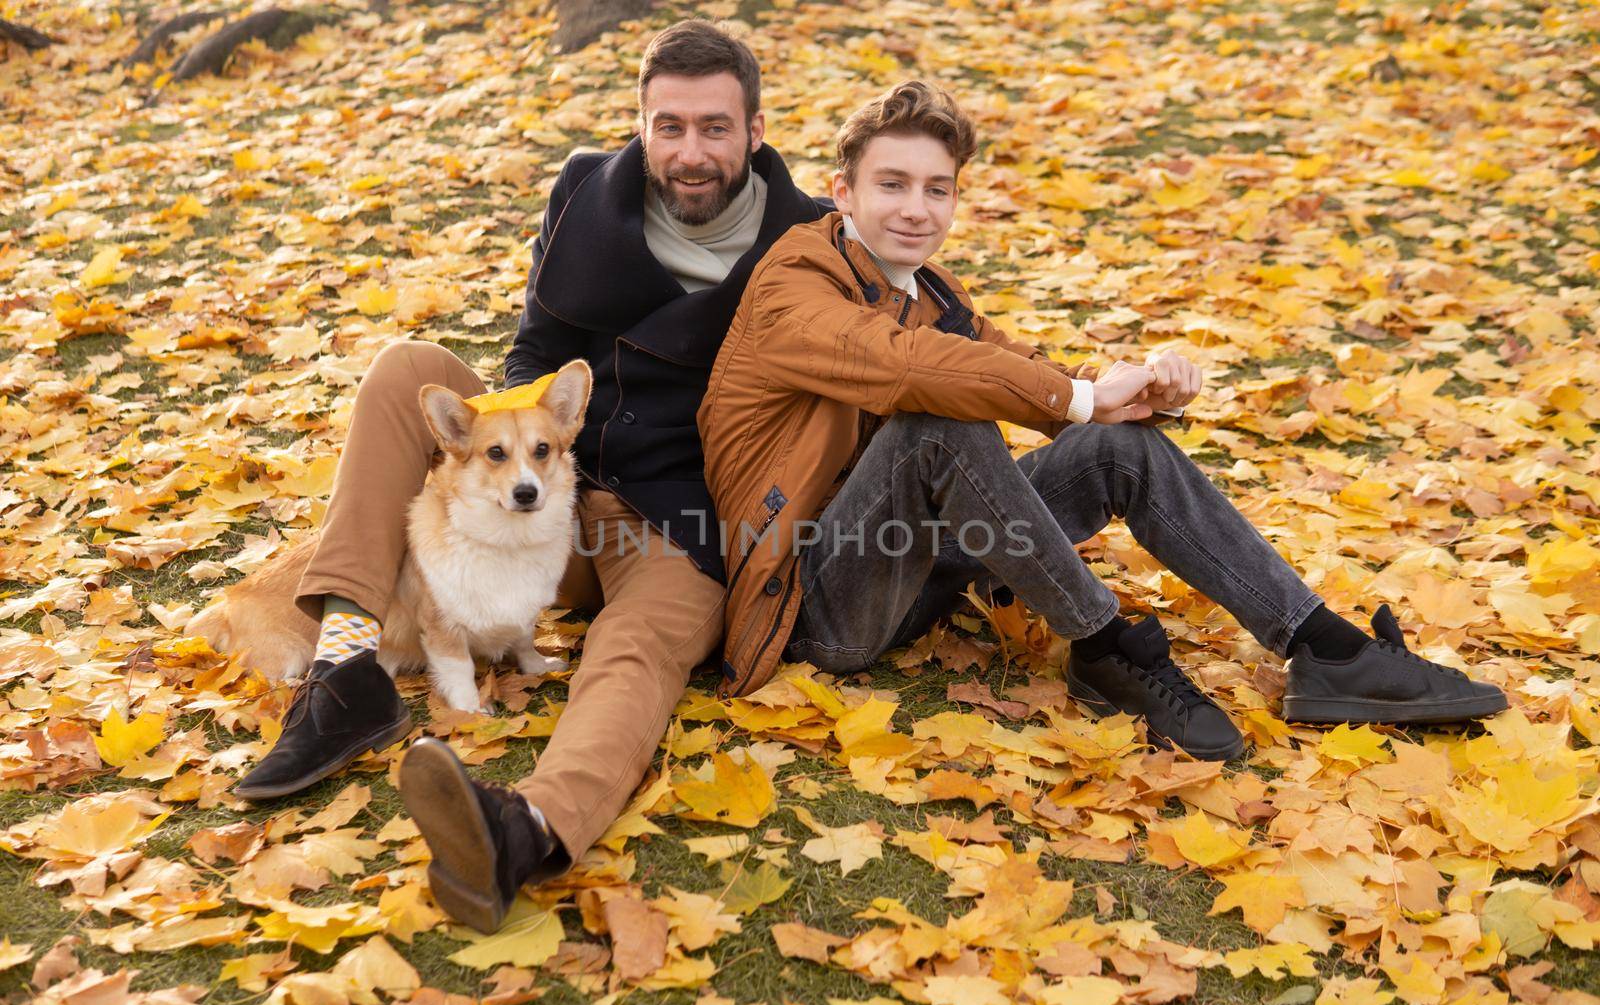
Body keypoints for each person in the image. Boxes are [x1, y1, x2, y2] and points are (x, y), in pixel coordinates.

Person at [696, 80, 1507, 762]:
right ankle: (1105, 645)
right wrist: (1075, 398)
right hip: (816, 601)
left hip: (919, 571)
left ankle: (1325, 647)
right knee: (935, 422)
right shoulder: (794, 278)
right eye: (892, 184)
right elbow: (910, 369)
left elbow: (1022, 366)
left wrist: (1126, 389)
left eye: (936, 188)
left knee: (1114, 447)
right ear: (843, 192)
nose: (917, 208)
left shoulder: (933, 292)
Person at [232, 19, 830, 933]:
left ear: (755, 130)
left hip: (680, 518)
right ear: (642, 126)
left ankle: (525, 828)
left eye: (715, 127)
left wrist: (1067, 396)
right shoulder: (589, 188)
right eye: (669, 126)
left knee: (634, 653)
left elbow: (898, 343)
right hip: (555, 475)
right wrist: (518, 451)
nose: (691, 151)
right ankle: (347, 670)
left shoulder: (808, 237)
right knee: (405, 369)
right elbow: (537, 351)